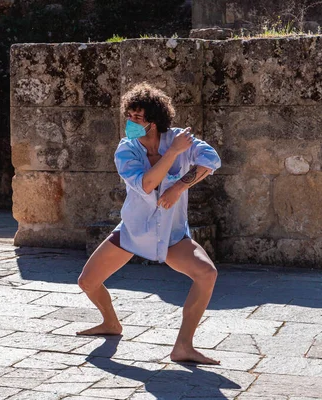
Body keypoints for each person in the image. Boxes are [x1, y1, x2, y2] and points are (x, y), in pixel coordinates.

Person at [76, 82, 222, 365]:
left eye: (137, 118)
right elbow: (146, 184)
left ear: (154, 122)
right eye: (128, 116)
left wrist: (179, 187)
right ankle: (111, 323)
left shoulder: (179, 138)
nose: (130, 123)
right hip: (134, 230)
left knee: (207, 274)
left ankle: (183, 347)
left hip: (173, 234)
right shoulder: (126, 149)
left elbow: (211, 160)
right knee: (87, 281)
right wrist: (172, 155)